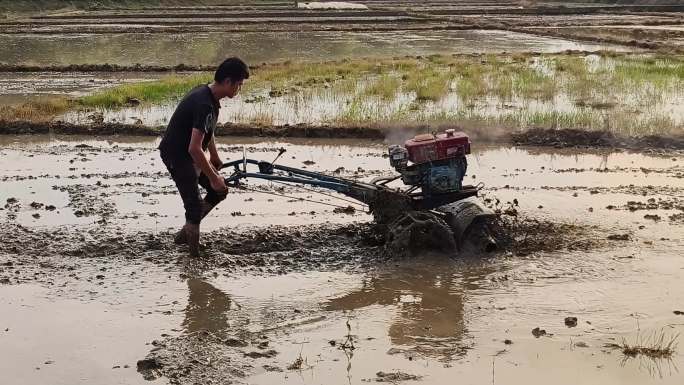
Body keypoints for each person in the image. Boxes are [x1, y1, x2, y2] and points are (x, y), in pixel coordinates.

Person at [159, 57, 249, 257]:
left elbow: (206, 131)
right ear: (228, 82)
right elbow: (194, 149)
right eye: (239, 85)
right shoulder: (204, 104)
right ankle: (194, 258)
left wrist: (215, 156)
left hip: (189, 152)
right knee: (193, 207)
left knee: (219, 191)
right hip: (178, 155)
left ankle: (184, 235)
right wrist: (214, 176)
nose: (239, 90)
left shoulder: (208, 96)